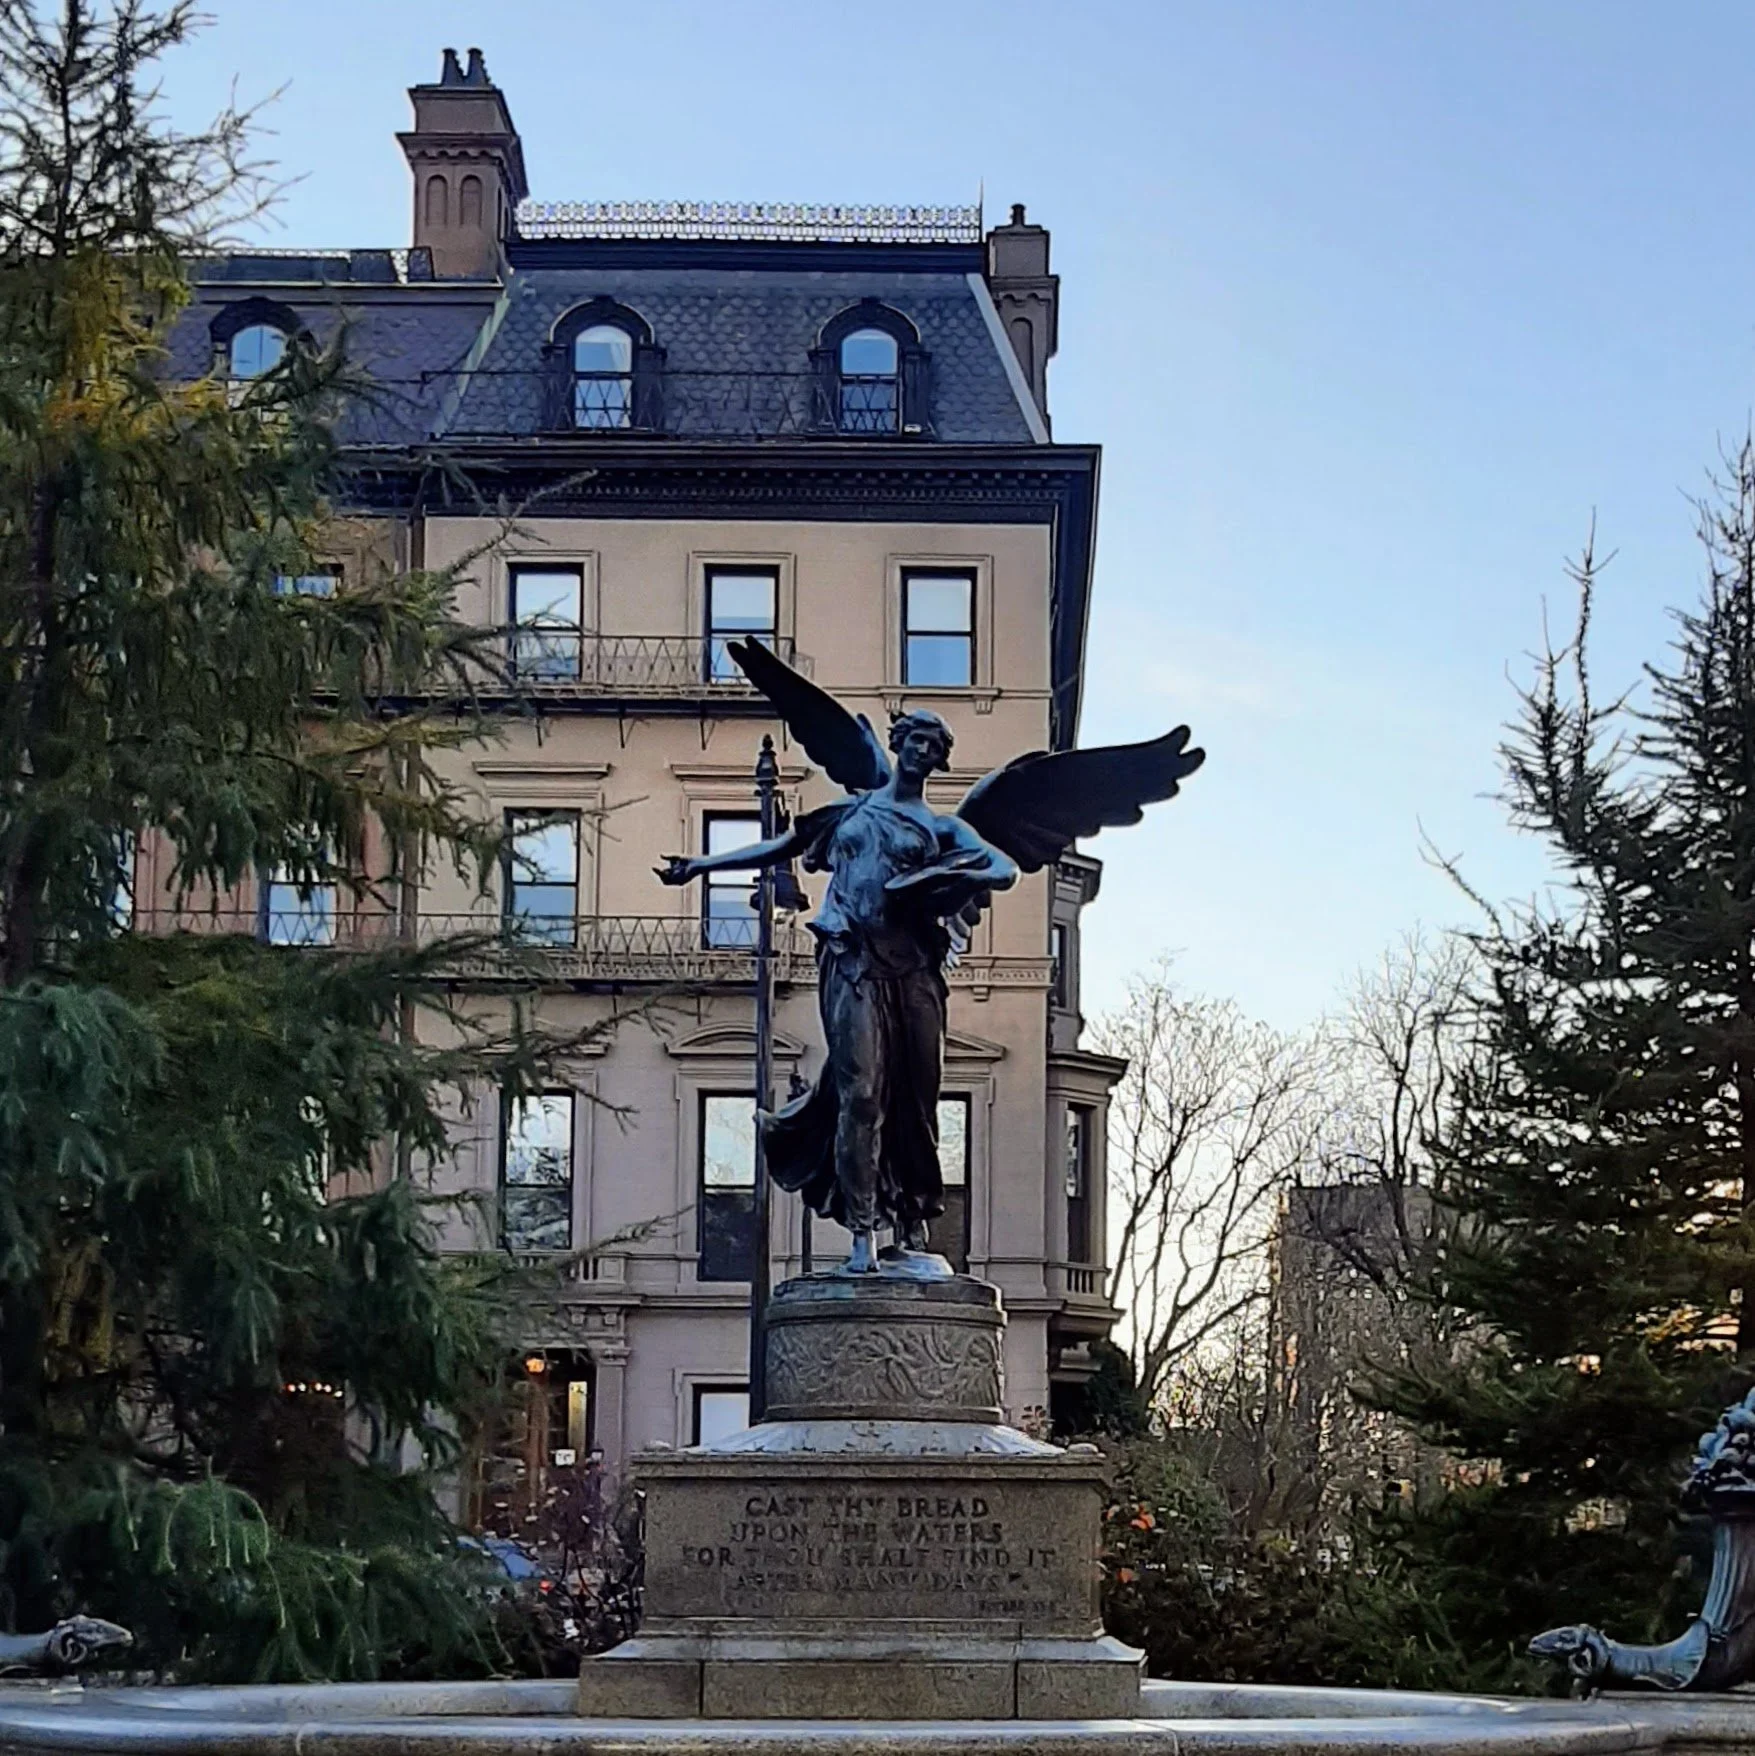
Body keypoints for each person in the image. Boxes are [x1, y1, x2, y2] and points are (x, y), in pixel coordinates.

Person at [657, 710, 1016, 1273]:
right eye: (915, 740)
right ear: (897, 745)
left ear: (940, 758)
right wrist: (702, 864)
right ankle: (862, 1233)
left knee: (918, 1101)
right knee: (863, 1094)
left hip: (915, 973)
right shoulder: (851, 813)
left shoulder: (943, 830)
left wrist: (944, 881)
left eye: (934, 745)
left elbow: (1004, 869)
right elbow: (780, 846)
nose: (923, 751)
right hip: (850, 961)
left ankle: (911, 1219)